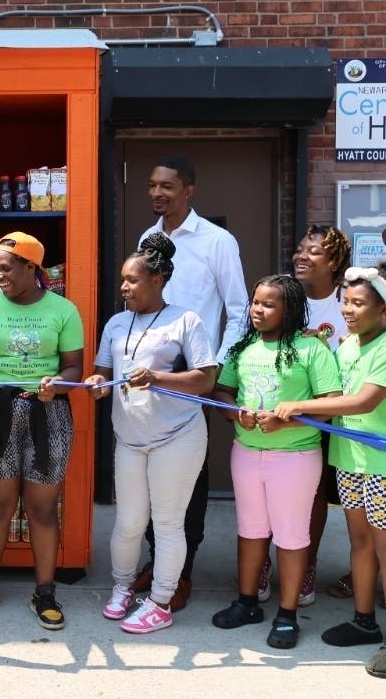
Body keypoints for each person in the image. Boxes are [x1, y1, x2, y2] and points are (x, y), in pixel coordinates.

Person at [84, 233, 217, 635]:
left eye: (132, 280)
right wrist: (97, 383)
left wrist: (157, 377)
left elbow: (206, 379)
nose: (124, 287)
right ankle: (122, 588)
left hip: (177, 436)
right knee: (128, 523)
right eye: (123, 280)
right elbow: (103, 372)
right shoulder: (116, 322)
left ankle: (160, 602)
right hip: (130, 438)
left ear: (157, 281)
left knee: (167, 523)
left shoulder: (186, 320)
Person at [132, 155, 248, 610]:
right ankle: (157, 560)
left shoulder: (217, 241)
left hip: (193, 372)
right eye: (152, 185)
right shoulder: (149, 239)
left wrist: (216, 367)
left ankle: (182, 571)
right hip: (148, 373)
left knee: (188, 477)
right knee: (148, 469)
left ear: (188, 190)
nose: (157, 193)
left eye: (167, 186)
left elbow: (238, 311)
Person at [0, 232, 84, 629]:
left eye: (6, 268)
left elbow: (74, 368)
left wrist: (57, 385)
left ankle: (45, 592)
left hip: (49, 415)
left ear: (32, 268)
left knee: (43, 509)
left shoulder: (64, 310)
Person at [210, 274, 340, 649]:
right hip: (246, 453)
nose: (258, 310)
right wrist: (236, 412)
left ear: (291, 309)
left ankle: (287, 615)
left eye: (269, 304)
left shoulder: (311, 349)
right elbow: (222, 391)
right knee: (250, 530)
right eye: (256, 302)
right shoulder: (243, 348)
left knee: (291, 534)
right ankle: (247, 602)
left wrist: (290, 419)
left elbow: (331, 402)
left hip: (295, 457)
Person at [274, 264, 386, 675]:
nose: (349, 310)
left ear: (383, 309)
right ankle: (364, 622)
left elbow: (363, 400)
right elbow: (335, 386)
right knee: (360, 543)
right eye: (346, 302)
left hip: (381, 465)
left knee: (384, 549)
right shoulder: (348, 345)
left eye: (359, 303)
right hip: (349, 458)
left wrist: (300, 406)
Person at [292, 225, 355, 606]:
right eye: (300, 248)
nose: (301, 256)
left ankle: (351, 567)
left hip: (342, 414)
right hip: (294, 412)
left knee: (345, 496)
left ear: (333, 262)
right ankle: (290, 563)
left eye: (312, 251)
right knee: (297, 492)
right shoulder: (286, 296)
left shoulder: (349, 300)